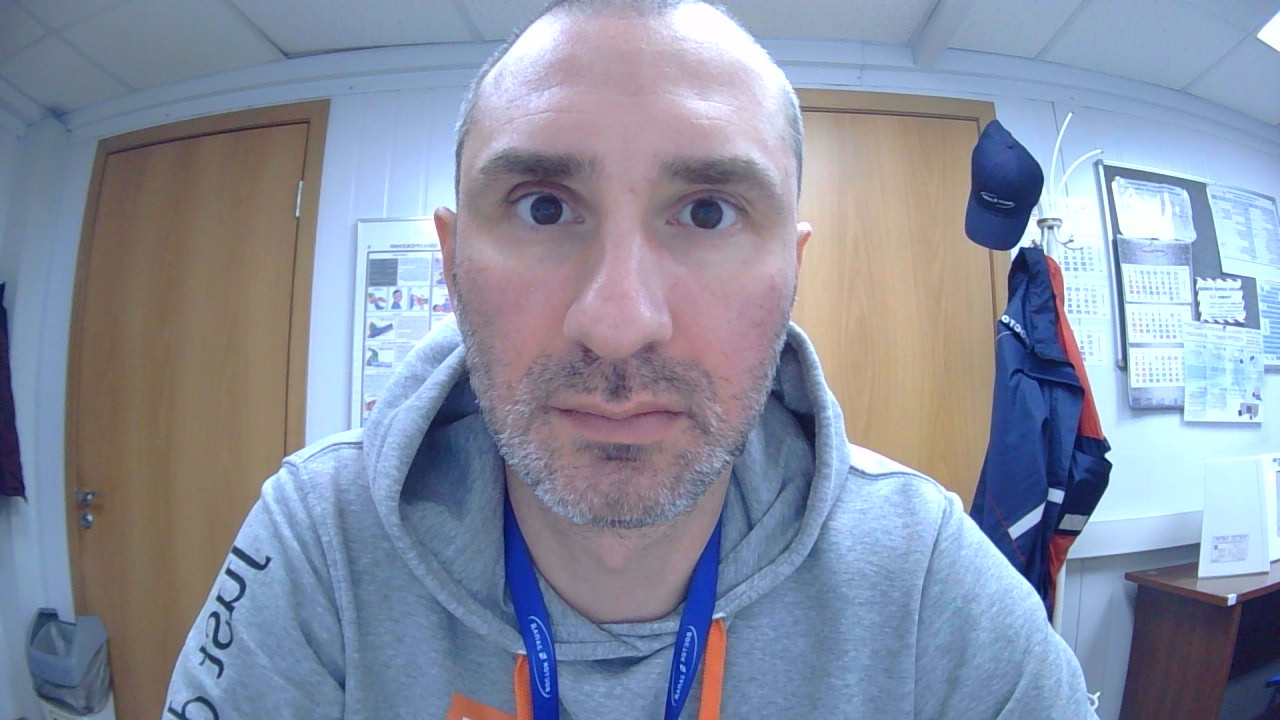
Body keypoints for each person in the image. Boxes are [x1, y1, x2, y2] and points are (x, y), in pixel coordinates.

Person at [164, 1, 1097, 718]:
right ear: (453, 262)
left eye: (707, 212)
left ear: (792, 271)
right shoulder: (321, 537)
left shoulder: (923, 570)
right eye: (543, 207)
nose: (617, 325)